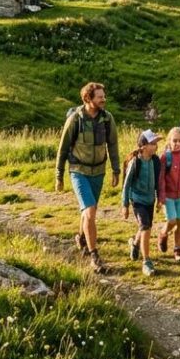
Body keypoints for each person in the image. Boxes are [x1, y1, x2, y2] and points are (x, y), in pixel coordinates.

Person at [55, 82, 120, 273]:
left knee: (88, 211)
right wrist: (59, 175)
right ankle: (94, 256)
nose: (103, 99)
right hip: (78, 171)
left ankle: (82, 237)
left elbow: (113, 145)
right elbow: (63, 148)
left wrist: (116, 170)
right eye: (99, 97)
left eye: (103, 96)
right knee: (90, 211)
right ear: (88, 98)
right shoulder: (75, 119)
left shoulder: (107, 119)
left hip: (98, 172)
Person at [121, 129, 162, 276]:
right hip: (137, 200)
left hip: (150, 199)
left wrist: (159, 199)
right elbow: (126, 185)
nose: (156, 146)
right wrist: (125, 205)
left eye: (156, 143)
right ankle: (146, 262)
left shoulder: (156, 161)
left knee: (145, 226)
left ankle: (135, 243)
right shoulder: (135, 162)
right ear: (143, 146)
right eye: (153, 143)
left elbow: (158, 182)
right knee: (146, 227)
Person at [157, 127, 180, 261]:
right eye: (174, 140)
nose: (177, 143)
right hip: (168, 196)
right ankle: (163, 233)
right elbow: (161, 178)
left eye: (179, 141)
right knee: (172, 220)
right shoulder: (165, 157)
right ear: (169, 141)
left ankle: (177, 248)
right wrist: (161, 196)